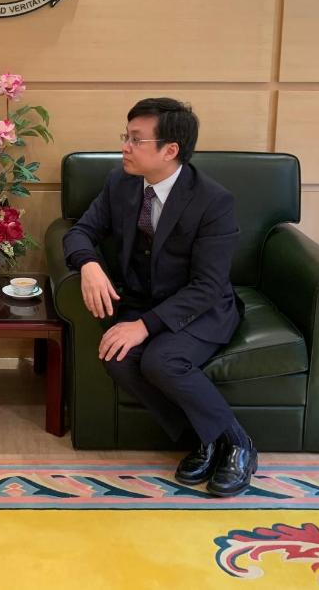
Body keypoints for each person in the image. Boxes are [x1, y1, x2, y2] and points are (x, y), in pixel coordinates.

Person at [62, 97, 255, 497]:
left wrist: (144, 326)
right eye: (125, 136)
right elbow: (80, 231)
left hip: (200, 308)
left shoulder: (213, 201)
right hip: (142, 300)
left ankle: (238, 443)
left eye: (136, 140)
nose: (125, 147)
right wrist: (89, 264)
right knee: (116, 357)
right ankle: (206, 438)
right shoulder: (120, 183)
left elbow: (207, 285)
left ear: (170, 150)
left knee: (161, 360)